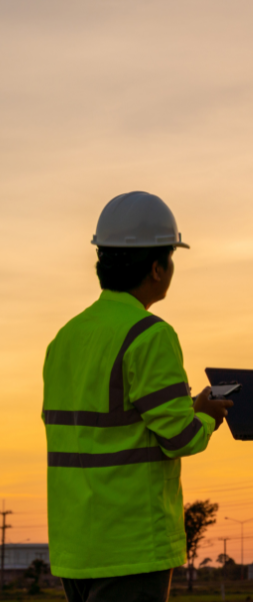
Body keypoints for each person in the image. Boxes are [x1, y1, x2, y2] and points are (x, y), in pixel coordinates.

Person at [42, 191, 232, 602]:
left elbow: (101, 431)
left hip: (76, 546)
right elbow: (181, 437)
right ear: (157, 269)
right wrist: (207, 415)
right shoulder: (149, 335)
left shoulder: (64, 339)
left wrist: (188, 409)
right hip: (130, 547)